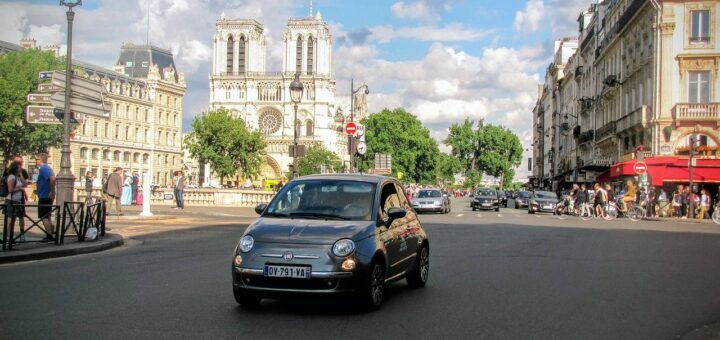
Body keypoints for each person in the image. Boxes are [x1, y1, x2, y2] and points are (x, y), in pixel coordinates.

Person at [35, 154, 55, 242]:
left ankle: (49, 235)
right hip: (46, 195)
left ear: (41, 160)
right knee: (48, 216)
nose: (36, 161)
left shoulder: (44, 168)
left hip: (45, 196)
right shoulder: (47, 168)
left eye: (37, 159)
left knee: (44, 217)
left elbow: (52, 179)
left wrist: (52, 191)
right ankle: (51, 233)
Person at [5, 160, 27, 242]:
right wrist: (20, 188)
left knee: (21, 217)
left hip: (19, 201)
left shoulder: (18, 176)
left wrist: (21, 175)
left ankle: (22, 235)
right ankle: (8, 236)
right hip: (11, 200)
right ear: (15, 168)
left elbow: (25, 184)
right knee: (11, 219)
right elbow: (10, 189)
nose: (20, 168)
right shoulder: (11, 177)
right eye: (18, 167)